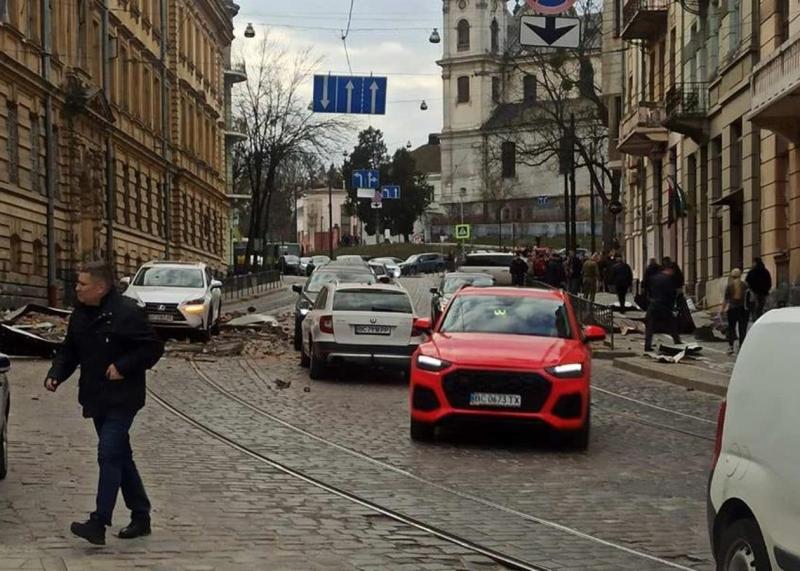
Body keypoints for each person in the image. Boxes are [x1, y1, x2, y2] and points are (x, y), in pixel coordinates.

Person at [45, 261, 164, 545]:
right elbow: (70, 350)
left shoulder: (127, 312)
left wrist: (123, 366)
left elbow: (152, 347)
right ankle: (141, 515)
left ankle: (99, 521)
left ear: (100, 287)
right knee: (120, 456)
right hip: (96, 394)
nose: (77, 288)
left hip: (124, 396)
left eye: (82, 284)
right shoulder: (81, 314)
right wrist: (56, 374)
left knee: (109, 452)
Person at [644, 266, 683, 352]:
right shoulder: (668, 280)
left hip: (653, 304)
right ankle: (677, 341)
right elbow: (671, 293)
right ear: (669, 270)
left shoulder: (654, 278)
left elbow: (648, 290)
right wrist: (673, 306)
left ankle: (647, 345)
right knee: (672, 324)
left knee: (650, 326)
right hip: (664, 305)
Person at [723, 268, 750, 355]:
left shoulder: (729, 285)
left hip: (732, 309)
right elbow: (749, 297)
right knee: (742, 329)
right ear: (740, 275)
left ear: (732, 276)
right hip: (743, 309)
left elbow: (726, 299)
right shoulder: (745, 285)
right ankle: (741, 346)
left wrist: (723, 309)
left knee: (731, 328)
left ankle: (730, 347)